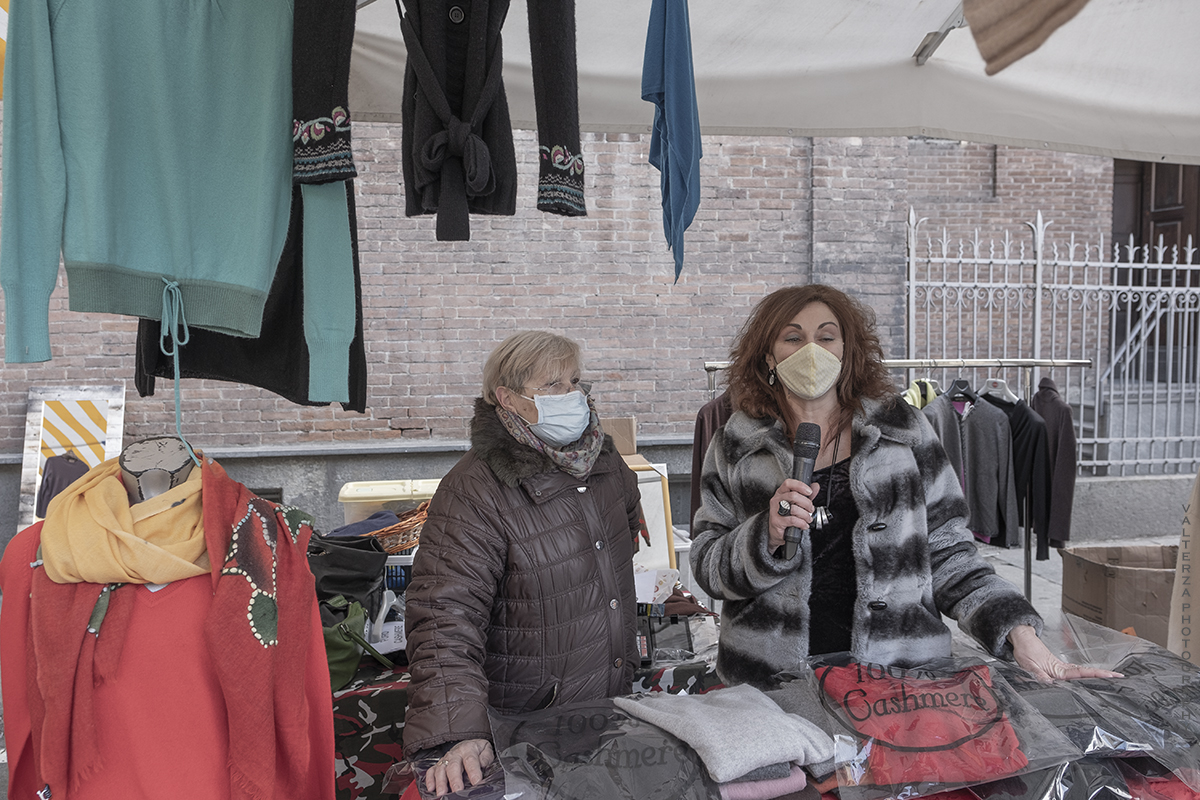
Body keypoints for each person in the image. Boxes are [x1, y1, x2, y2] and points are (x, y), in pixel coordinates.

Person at [690, 285, 1118, 690]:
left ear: (846, 350)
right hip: (772, 685)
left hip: (900, 683)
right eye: (792, 338)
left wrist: (1018, 633)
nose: (811, 351)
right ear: (769, 355)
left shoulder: (903, 430)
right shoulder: (736, 443)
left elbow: (949, 551)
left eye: (826, 337)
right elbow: (707, 562)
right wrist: (763, 535)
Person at [403, 331, 643, 797]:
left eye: (574, 381)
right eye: (551, 384)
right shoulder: (474, 490)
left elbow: (625, 533)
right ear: (507, 399)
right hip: (527, 729)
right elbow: (443, 619)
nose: (571, 395)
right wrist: (460, 732)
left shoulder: (604, 460)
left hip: (608, 708)